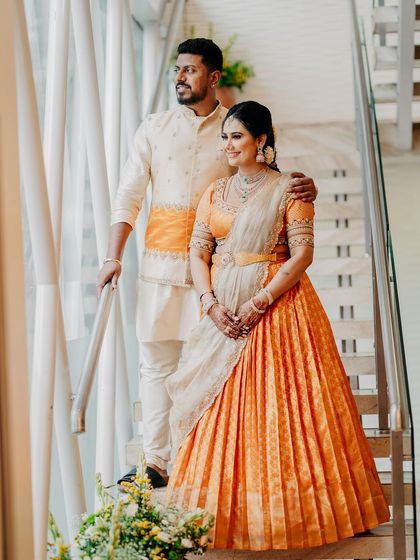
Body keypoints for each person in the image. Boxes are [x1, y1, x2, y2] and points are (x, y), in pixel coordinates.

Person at [165, 101, 390, 550]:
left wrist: (259, 301)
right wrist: (210, 304)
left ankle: (314, 513)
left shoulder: (291, 189)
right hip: (222, 311)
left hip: (279, 310)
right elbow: (197, 252)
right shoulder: (215, 192)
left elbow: (303, 256)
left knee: (290, 414)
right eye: (225, 137)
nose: (228, 145)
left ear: (262, 140)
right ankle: (217, 520)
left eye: (237, 137)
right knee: (215, 410)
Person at [97, 39, 318, 489]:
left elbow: (265, 183)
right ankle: (155, 462)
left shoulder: (233, 131)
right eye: (176, 70)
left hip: (218, 278)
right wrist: (112, 256)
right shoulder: (153, 128)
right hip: (158, 269)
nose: (178, 77)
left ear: (214, 77)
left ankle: (196, 459)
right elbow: (129, 195)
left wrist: (304, 186)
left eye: (189, 70)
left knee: (205, 366)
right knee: (156, 365)